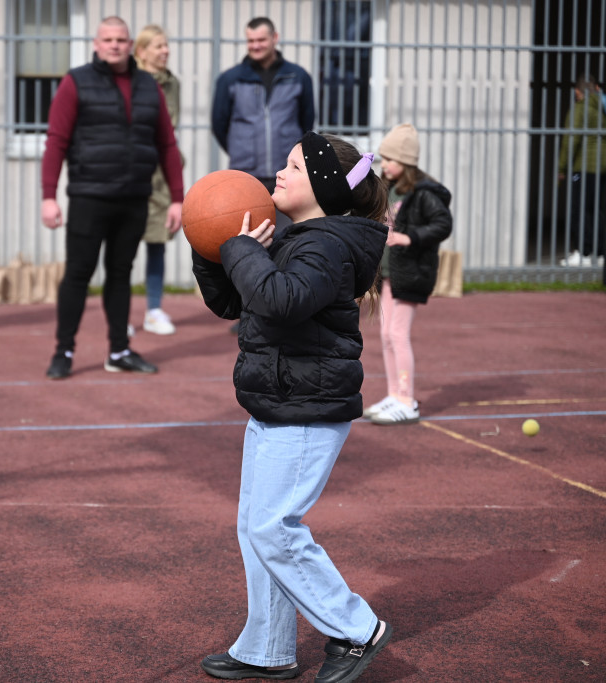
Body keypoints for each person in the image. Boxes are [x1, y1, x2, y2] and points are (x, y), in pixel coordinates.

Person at [192, 132, 392, 683]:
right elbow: (236, 300)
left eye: (294, 168)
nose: (278, 174)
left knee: (274, 529)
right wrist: (214, 245)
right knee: (254, 528)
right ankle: (267, 650)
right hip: (278, 401)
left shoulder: (323, 245)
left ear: (323, 189)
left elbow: (281, 301)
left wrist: (242, 251)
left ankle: (357, 630)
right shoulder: (297, 237)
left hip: (306, 409)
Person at [40, 16, 183, 379]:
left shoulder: (149, 86)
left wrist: (177, 199)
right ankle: (64, 352)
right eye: (108, 39)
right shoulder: (76, 82)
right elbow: (56, 140)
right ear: (96, 43)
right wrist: (48, 196)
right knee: (78, 275)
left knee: (120, 275)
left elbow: (166, 144)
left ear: (130, 43)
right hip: (90, 196)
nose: (115, 45)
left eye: (121, 39)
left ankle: (119, 350)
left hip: (134, 197)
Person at [364, 123, 452, 426]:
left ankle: (407, 399)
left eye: (390, 159)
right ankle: (394, 395)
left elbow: (443, 224)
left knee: (398, 334)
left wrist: (409, 236)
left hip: (410, 272)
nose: (384, 164)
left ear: (406, 161)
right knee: (386, 334)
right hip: (390, 272)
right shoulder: (388, 189)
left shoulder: (422, 193)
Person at [211, 16, 315, 224]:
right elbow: (219, 124)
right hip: (246, 175)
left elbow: (307, 121)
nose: (255, 46)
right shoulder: (230, 79)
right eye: (250, 41)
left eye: (261, 40)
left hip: (286, 176)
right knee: (247, 232)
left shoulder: (298, 77)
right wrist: (242, 150)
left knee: (285, 238)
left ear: (275, 38)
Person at [133, 24, 182, 336]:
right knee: (121, 247)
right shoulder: (132, 82)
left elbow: (169, 129)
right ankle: (119, 315)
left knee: (157, 243)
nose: (165, 51)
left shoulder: (172, 83)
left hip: (161, 175)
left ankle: (153, 310)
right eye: (158, 46)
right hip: (132, 170)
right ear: (142, 52)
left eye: (166, 45)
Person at [558, 74, 606, 267]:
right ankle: (600, 254)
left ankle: (583, 252)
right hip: (604, 166)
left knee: (578, 209)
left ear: (578, 92)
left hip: (584, 165)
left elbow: (571, 140)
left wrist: (562, 167)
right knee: (595, 209)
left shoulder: (581, 108)